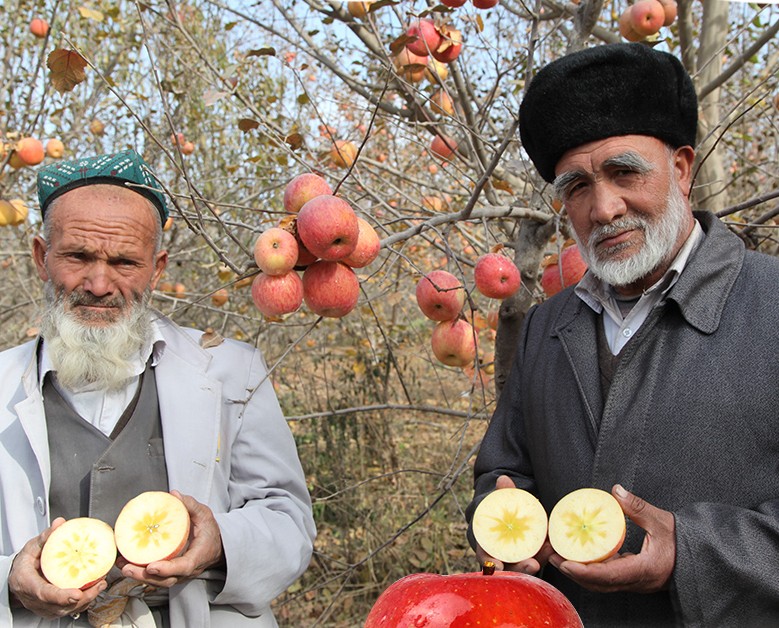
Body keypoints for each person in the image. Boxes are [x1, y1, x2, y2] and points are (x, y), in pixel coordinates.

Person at [466, 43, 779, 626]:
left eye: (624, 172)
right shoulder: (546, 326)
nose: (604, 208)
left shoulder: (771, 305)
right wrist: (499, 522)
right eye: (577, 187)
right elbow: (502, 473)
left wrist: (692, 554)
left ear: (681, 169)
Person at [0, 150, 316, 627]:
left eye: (125, 262)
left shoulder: (234, 372)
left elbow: (288, 522)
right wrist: (9, 578)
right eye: (78, 257)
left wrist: (220, 542)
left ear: (157, 267)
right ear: (42, 257)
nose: (99, 283)